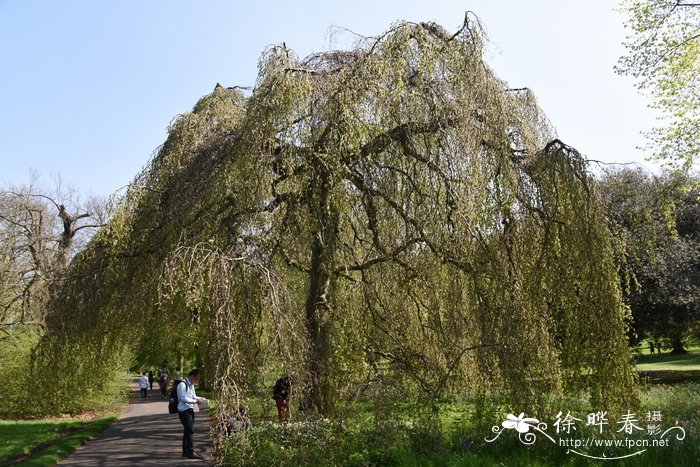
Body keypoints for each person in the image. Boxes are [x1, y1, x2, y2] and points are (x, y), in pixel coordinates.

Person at [176, 369, 207, 459]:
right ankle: (190, 451)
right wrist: (196, 401)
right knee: (190, 430)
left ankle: (185, 451)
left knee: (187, 430)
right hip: (183, 411)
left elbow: (193, 396)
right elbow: (183, 398)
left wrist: (201, 398)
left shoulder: (191, 384)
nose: (197, 380)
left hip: (190, 409)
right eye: (197, 378)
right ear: (192, 376)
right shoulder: (182, 385)